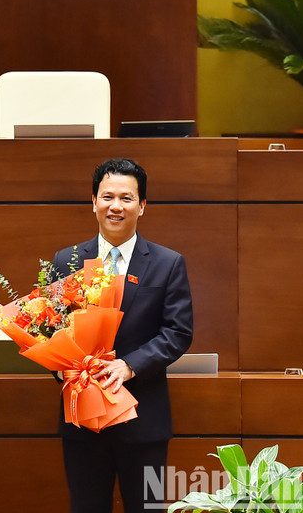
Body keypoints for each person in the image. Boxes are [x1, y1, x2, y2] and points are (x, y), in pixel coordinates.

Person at [51, 158, 193, 513]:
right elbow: (49, 329)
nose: (116, 206)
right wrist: (59, 366)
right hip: (83, 423)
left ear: (142, 206)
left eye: (127, 199)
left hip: (144, 422)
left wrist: (129, 366)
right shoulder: (67, 259)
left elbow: (177, 332)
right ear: (93, 201)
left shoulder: (167, 263)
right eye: (107, 197)